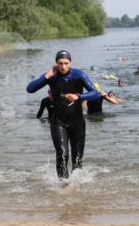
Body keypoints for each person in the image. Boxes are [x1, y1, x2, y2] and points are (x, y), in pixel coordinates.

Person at [26, 50, 102, 179]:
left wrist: (78, 96)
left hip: (77, 122)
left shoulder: (79, 75)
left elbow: (95, 93)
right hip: (58, 122)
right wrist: (47, 75)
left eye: (66, 63)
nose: (63, 66)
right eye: (60, 63)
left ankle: (77, 184)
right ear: (56, 63)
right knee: (62, 154)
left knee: (77, 159)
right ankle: (63, 184)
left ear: (70, 63)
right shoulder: (51, 76)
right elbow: (30, 89)